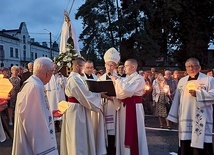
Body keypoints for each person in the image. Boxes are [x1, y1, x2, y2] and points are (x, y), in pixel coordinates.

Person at [60, 57, 108, 155]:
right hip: (76, 111)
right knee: (77, 136)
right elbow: (85, 95)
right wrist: (99, 95)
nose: (85, 69)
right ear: (78, 66)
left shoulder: (78, 78)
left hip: (80, 108)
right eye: (84, 67)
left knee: (82, 135)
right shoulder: (74, 79)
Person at [12, 57, 59, 155]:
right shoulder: (34, 87)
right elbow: (33, 121)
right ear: (47, 73)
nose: (51, 75)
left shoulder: (33, 83)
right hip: (33, 145)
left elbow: (32, 112)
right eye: (51, 72)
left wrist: (49, 113)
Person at [167, 58, 214, 155]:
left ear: (199, 67)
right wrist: (173, 117)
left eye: (194, 66)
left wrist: (199, 94)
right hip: (185, 118)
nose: (191, 68)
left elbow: (213, 96)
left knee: (201, 145)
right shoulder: (182, 81)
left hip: (201, 119)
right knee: (186, 142)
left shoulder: (209, 80)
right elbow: (177, 100)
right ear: (186, 68)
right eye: (189, 66)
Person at [111, 59, 149, 155]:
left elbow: (127, 91)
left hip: (134, 108)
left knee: (134, 131)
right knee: (123, 131)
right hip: (124, 107)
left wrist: (117, 80)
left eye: (126, 65)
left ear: (133, 67)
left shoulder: (139, 78)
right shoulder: (125, 79)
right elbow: (120, 93)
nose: (124, 68)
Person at [98, 47, 120, 155]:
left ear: (115, 66)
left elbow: (121, 94)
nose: (110, 67)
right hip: (103, 106)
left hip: (113, 107)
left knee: (112, 131)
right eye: (108, 65)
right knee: (102, 131)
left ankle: (112, 150)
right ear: (105, 65)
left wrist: (114, 98)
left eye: (112, 65)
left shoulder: (119, 79)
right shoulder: (100, 79)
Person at [45, 64, 66, 132]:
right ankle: (53, 124)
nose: (54, 70)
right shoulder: (48, 76)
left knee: (60, 109)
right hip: (51, 95)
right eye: (53, 68)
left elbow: (64, 85)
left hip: (59, 94)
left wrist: (60, 78)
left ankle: (58, 124)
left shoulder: (61, 76)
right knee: (52, 108)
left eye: (56, 68)